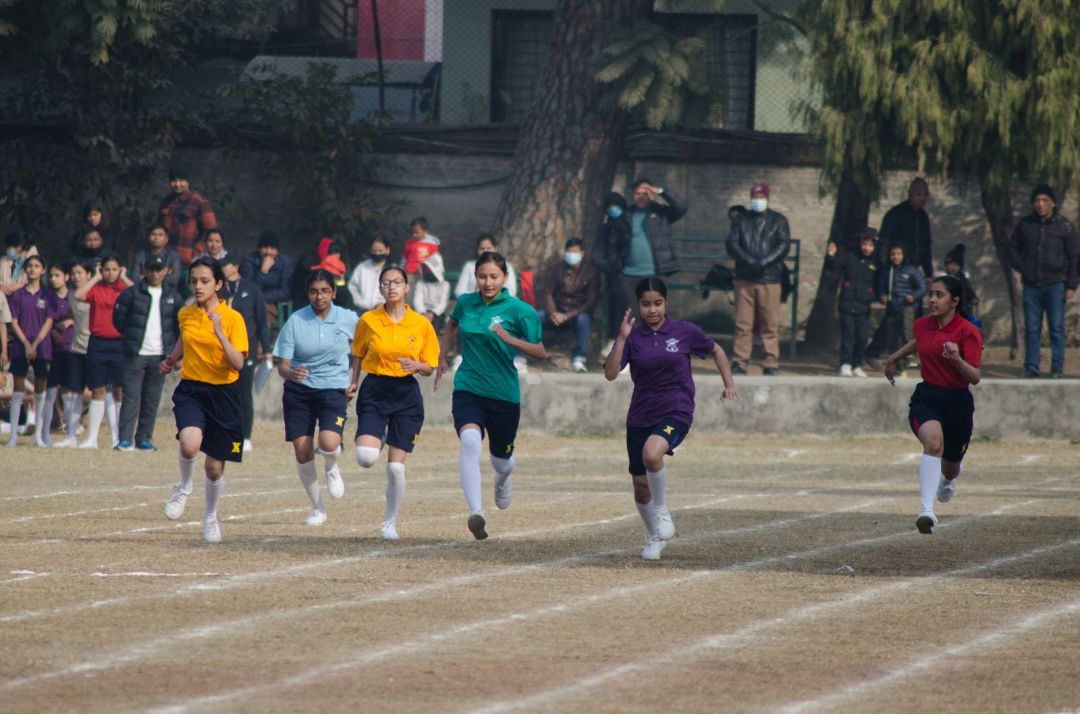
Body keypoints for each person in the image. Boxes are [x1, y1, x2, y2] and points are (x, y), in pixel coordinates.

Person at [603, 277, 737, 560]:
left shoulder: (684, 332)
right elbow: (611, 373)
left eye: (658, 303)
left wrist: (729, 384)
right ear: (639, 306)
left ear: (666, 303)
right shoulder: (633, 337)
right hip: (640, 414)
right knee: (641, 487)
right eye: (646, 304)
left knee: (652, 454)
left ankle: (661, 510)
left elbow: (716, 350)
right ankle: (654, 534)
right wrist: (622, 338)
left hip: (676, 409)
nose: (652, 310)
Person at [435, 252, 545, 541]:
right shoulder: (465, 303)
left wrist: (511, 340)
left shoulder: (519, 310)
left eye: (494, 276)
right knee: (470, 442)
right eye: (482, 276)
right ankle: (476, 512)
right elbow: (452, 324)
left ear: (505, 278)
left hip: (503, 394)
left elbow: (540, 351)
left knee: (502, 461)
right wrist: (442, 356)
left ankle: (503, 478)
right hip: (468, 386)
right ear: (475, 277)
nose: (487, 282)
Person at [160, 256, 249, 544]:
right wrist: (172, 358)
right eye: (194, 281)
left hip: (224, 394)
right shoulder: (185, 314)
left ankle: (210, 517)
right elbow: (184, 338)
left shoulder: (233, 318)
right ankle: (184, 487)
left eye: (205, 281)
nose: (198, 286)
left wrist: (219, 332)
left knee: (213, 467)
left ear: (218, 284)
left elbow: (238, 363)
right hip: (192, 390)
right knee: (189, 444)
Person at [883, 275, 981, 534]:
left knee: (951, 466)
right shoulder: (922, 325)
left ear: (954, 301)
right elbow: (921, 341)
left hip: (957, 402)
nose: (932, 300)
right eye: (930, 294)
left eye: (939, 295)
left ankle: (948, 480)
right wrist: (892, 359)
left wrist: (957, 359)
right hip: (927, 397)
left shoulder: (968, 331)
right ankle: (926, 511)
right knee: (934, 444)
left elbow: (975, 377)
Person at [350, 266, 439, 540]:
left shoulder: (421, 324)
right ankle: (381, 433)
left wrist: (418, 365)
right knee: (365, 458)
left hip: (406, 394)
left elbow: (430, 367)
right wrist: (352, 382)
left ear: (407, 287)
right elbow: (358, 354)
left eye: (397, 282)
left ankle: (389, 523)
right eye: (386, 283)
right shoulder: (368, 320)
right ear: (380, 288)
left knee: (395, 467)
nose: (391, 287)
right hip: (375, 390)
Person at [273, 269, 360, 527]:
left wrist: (354, 379)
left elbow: (362, 349)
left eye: (324, 291)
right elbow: (282, 365)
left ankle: (331, 466)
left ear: (333, 292)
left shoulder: (348, 318)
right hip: (299, 391)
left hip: (333, 388)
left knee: (329, 442)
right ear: (308, 293)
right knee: (302, 451)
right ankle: (317, 507)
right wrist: (292, 373)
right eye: (314, 291)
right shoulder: (296, 321)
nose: (319, 296)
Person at [1007, 184, 1080, 378]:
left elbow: (1075, 257)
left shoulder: (1064, 226)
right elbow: (1012, 250)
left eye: (1045, 200)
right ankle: (1031, 367)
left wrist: (1071, 285)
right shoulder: (1025, 225)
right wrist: (1024, 268)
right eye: (1037, 201)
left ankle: (1057, 368)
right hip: (1031, 286)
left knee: (1056, 328)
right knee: (1032, 328)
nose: (1040, 204)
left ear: (1052, 203)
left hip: (1056, 285)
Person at [112, 254, 181, 451]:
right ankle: (125, 439)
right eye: (151, 269)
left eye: (159, 269)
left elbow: (180, 325)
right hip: (135, 354)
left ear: (166, 271)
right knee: (131, 397)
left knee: (151, 399)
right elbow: (118, 319)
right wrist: (131, 339)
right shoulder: (131, 293)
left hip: (160, 356)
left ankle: (144, 438)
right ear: (145, 270)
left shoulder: (173, 296)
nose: (155, 273)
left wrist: (174, 353)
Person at [726, 181, 791, 375]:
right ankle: (740, 361)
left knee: (770, 323)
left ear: (767, 198)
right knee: (742, 323)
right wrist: (749, 261)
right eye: (755, 197)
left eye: (761, 197)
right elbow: (732, 244)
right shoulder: (741, 220)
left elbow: (783, 245)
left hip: (770, 278)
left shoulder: (778, 220)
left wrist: (764, 262)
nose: (758, 200)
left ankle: (770, 362)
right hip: (744, 277)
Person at [73, 254, 134, 448]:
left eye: (114, 270)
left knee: (119, 391)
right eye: (107, 270)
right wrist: (96, 277)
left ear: (120, 270)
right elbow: (78, 295)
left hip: (120, 344)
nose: (110, 273)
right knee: (98, 389)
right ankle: (92, 438)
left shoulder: (124, 289)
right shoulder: (96, 288)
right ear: (101, 271)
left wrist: (124, 277)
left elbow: (139, 294)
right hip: (97, 343)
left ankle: (120, 438)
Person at [617, 179, 687, 328]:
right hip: (629, 274)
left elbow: (681, 207)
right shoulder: (626, 215)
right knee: (631, 316)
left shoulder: (661, 212)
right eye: (638, 193)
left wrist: (662, 192)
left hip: (655, 273)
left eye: (645, 193)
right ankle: (634, 342)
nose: (641, 196)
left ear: (652, 194)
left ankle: (656, 342)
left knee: (655, 315)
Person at [220, 255, 272, 453]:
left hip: (246, 347)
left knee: (244, 392)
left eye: (226, 265)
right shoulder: (219, 290)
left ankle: (246, 435)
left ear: (235, 266)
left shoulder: (251, 289)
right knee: (224, 392)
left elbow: (262, 321)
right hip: (222, 347)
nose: (223, 269)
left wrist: (266, 349)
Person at [4, 255, 53, 447]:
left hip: (42, 347)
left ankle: (39, 436)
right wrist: (26, 343)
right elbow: (13, 321)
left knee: (40, 391)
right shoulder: (17, 295)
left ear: (43, 270)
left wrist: (36, 343)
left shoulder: (48, 295)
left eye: (37, 266)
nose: (33, 269)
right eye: (30, 266)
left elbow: (49, 321)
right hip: (19, 346)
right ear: (25, 270)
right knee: (18, 390)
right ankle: (13, 437)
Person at [539, 238, 600, 372]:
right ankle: (519, 357)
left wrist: (567, 316)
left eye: (575, 252)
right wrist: (553, 312)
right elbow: (549, 292)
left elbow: (591, 302)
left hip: (576, 314)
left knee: (584, 319)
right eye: (568, 252)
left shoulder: (591, 272)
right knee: (532, 318)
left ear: (582, 253)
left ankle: (579, 358)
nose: (571, 255)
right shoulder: (559, 268)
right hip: (556, 313)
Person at [826, 229, 879, 377]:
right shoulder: (850, 257)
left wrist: (874, 295)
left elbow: (880, 281)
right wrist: (831, 256)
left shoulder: (875, 263)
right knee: (848, 336)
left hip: (864, 306)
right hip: (847, 304)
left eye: (870, 245)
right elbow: (834, 266)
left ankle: (857, 364)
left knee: (862, 337)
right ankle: (845, 363)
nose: (867, 248)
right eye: (865, 244)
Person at [53, 260, 93, 448]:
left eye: (80, 273)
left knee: (93, 393)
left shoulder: (95, 293)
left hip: (94, 348)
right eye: (74, 273)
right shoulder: (72, 295)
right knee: (71, 390)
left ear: (89, 275)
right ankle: (71, 432)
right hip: (76, 348)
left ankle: (92, 434)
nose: (77, 276)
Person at [876, 244, 928, 377]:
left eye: (898, 254)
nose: (895, 257)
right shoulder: (887, 271)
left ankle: (907, 360)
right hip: (892, 307)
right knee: (892, 339)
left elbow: (923, 287)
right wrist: (882, 296)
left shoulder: (911, 270)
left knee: (906, 332)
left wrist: (913, 296)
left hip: (907, 306)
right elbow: (880, 287)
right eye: (893, 254)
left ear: (903, 255)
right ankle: (897, 367)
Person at [158, 161, 218, 268]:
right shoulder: (165, 201)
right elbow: (159, 228)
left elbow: (211, 229)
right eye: (174, 181)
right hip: (165, 260)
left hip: (188, 261)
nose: (177, 184)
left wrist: (196, 251)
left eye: (181, 181)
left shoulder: (198, 201)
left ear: (188, 182)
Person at [590, 193, 630, 349]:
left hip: (635, 273)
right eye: (610, 207)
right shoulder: (606, 229)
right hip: (615, 275)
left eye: (616, 206)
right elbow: (596, 256)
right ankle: (615, 338)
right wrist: (611, 266)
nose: (613, 209)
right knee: (617, 297)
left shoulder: (631, 226)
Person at [41, 262, 74, 446]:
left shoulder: (74, 296)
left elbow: (85, 317)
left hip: (71, 348)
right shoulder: (46, 297)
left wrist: (70, 321)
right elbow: (41, 319)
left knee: (69, 392)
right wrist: (53, 331)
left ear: (66, 277)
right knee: (51, 391)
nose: (53, 279)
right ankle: (44, 434)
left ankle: (71, 433)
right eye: (51, 276)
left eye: (57, 275)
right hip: (52, 350)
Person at [879, 178, 934, 279]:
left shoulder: (923, 217)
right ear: (910, 195)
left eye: (925, 195)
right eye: (918, 195)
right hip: (896, 268)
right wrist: (884, 267)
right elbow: (885, 241)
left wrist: (928, 273)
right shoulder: (896, 214)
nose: (922, 198)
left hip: (914, 269)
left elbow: (926, 245)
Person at [240, 231, 294, 325]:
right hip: (251, 303)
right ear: (259, 249)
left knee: (260, 313)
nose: (268, 252)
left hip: (274, 304)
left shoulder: (285, 263)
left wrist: (260, 298)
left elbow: (285, 291)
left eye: (272, 248)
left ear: (277, 251)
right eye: (265, 248)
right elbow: (248, 288)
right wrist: (263, 271)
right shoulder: (249, 261)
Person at [455, 234, 519, 299]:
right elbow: (459, 291)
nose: (485, 251)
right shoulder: (469, 266)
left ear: (495, 249)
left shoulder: (506, 266)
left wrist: (493, 299)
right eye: (482, 248)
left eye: (489, 248)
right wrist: (477, 296)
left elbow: (511, 292)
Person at [131, 224, 183, 293]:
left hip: (167, 293)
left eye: (160, 235)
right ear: (149, 238)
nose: (156, 237)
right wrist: (163, 274)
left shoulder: (174, 256)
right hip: (143, 292)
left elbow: (174, 280)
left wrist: (146, 275)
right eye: (153, 234)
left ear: (166, 240)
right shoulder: (139, 256)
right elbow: (135, 279)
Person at [347, 236, 392, 313]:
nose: (377, 253)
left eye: (380, 251)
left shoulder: (393, 270)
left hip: (386, 312)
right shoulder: (362, 267)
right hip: (362, 310)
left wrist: (383, 304)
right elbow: (352, 287)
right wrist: (361, 302)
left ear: (387, 250)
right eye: (374, 251)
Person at [402, 217, 441, 288]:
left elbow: (436, 259)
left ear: (425, 231)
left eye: (417, 232)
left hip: (425, 274)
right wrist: (401, 270)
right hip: (410, 273)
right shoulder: (409, 243)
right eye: (412, 232)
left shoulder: (431, 244)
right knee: (409, 291)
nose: (414, 235)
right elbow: (405, 258)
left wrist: (434, 271)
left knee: (422, 291)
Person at [943, 244, 979, 321]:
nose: (953, 267)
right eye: (951, 264)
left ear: (960, 267)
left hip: (963, 313)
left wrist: (973, 299)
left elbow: (970, 293)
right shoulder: (943, 280)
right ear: (947, 265)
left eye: (956, 265)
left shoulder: (963, 280)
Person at [1, 231, 37, 297]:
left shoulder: (33, 262)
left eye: (9, 247)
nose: (7, 250)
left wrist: (14, 287)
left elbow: (33, 283)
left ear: (19, 247)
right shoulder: (4, 261)